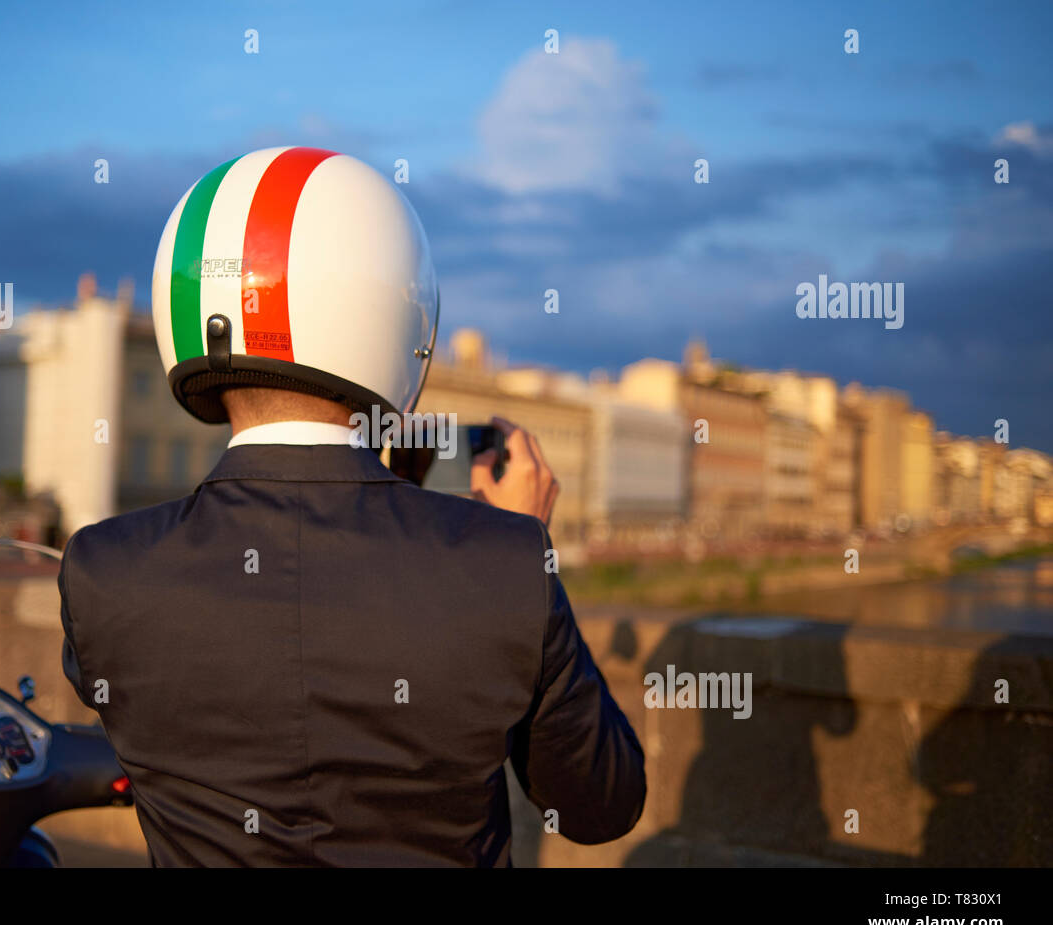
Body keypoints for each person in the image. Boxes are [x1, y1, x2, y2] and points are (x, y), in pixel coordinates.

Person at [59, 146, 645, 866]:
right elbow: (597, 804)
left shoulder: (103, 570)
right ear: (398, 321)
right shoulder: (506, 564)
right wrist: (521, 545)